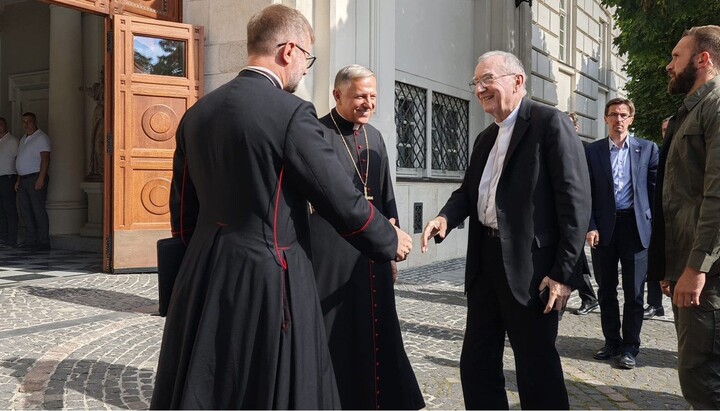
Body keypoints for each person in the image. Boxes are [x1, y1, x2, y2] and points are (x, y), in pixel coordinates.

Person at [150, 5, 413, 410]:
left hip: (203, 272)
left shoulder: (197, 113)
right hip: (269, 275)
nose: (305, 69)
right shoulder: (291, 113)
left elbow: (183, 211)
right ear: (289, 50)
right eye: (307, 58)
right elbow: (339, 197)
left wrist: (197, 260)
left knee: (213, 381)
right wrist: (386, 238)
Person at [421, 51, 590, 409]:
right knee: (476, 363)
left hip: (532, 271)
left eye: (487, 80)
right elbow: (468, 193)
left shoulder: (549, 123)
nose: (480, 88)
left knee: (536, 368)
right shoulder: (486, 138)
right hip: (485, 264)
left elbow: (574, 204)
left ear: (517, 81)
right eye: (476, 82)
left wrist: (563, 273)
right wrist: (445, 219)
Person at [309, 64, 424, 410]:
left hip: (371, 254)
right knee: (338, 331)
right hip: (331, 253)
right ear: (337, 95)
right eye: (360, 95)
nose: (368, 103)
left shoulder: (375, 137)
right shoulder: (316, 134)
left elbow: (386, 197)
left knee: (377, 328)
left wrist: (389, 250)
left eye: (372, 96)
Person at [648, 25, 720, 409]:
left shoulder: (716, 105)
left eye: (677, 56)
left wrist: (695, 268)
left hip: (708, 276)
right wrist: (672, 268)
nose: (668, 65)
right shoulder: (691, 111)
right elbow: (677, 199)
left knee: (701, 378)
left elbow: (717, 198)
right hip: (691, 269)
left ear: (703, 59)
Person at [585, 98, 658, 369]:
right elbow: (586, 193)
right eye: (613, 114)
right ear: (605, 118)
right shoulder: (592, 152)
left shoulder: (648, 149)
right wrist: (589, 225)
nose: (619, 120)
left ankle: (630, 347)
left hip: (635, 228)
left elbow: (654, 192)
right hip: (603, 230)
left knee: (634, 292)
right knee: (606, 290)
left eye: (624, 115)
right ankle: (612, 341)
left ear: (631, 119)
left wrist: (654, 228)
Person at [566, 112, 600, 316]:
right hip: (560, 213)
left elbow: (592, 186)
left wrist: (590, 223)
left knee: (575, 256)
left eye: (569, 125)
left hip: (580, 213)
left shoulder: (587, 149)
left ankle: (589, 297)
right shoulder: (551, 145)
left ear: (576, 128)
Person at [643, 116, 671, 320]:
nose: (666, 133)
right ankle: (655, 303)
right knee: (654, 260)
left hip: (678, 216)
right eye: (663, 130)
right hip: (657, 215)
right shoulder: (657, 154)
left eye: (669, 129)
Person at [14, 112, 51, 251]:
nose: (26, 124)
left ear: (35, 122)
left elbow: (45, 159)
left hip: (35, 178)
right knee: (25, 210)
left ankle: (43, 241)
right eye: (24, 122)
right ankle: (31, 240)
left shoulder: (41, 137)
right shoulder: (23, 138)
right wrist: (18, 179)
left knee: (38, 210)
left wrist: (41, 178)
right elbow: (21, 160)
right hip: (23, 179)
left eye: (29, 121)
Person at [0, 117, 19, 247]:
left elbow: (18, 160)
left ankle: (12, 238)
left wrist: (18, 179)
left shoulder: (13, 141)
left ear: (5, 125)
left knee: (9, 208)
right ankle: (3, 236)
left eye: (0, 124)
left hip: (8, 177)